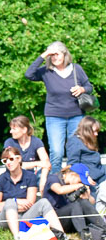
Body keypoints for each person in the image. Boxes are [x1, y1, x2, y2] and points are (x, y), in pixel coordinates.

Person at [24, 42, 93, 173]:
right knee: (56, 152)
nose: (54, 57)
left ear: (64, 54)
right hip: (54, 116)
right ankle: (55, 183)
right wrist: (43, 55)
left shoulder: (76, 69)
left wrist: (82, 89)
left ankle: (76, 182)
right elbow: (29, 74)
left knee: (75, 150)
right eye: (52, 55)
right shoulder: (46, 71)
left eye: (57, 54)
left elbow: (89, 87)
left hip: (76, 115)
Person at [0, 146, 66, 240]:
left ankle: (62, 235)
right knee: (10, 202)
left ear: (19, 159)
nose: (8, 163)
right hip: (4, 220)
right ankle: (18, 239)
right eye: (5, 161)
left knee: (43, 202)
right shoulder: (1, 179)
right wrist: (15, 202)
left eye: (11, 159)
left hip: (24, 216)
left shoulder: (30, 177)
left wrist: (12, 206)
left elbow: (30, 202)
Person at [43, 164, 106, 240]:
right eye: (80, 181)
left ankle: (103, 230)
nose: (81, 184)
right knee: (75, 205)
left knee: (83, 203)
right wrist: (78, 186)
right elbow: (59, 190)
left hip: (72, 220)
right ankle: (86, 238)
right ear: (72, 175)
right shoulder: (53, 178)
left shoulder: (73, 185)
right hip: (54, 221)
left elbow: (92, 202)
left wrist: (87, 196)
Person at [66, 116, 106, 211]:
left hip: (100, 173)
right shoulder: (74, 142)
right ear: (86, 130)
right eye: (94, 131)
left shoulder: (88, 140)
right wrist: (85, 175)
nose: (96, 134)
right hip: (91, 179)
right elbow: (73, 165)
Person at [4, 116, 51, 192]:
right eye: (11, 129)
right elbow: (13, 164)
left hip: (32, 177)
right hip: (15, 177)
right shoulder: (9, 142)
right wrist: (37, 163)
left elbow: (46, 163)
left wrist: (43, 180)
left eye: (14, 129)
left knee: (49, 178)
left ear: (24, 130)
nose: (10, 131)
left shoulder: (36, 141)